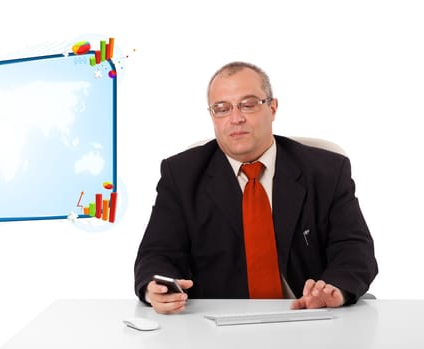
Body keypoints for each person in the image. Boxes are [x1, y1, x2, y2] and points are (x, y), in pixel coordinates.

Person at [133, 61, 378, 314]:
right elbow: (157, 253)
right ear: (212, 117)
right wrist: (156, 288)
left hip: (308, 318)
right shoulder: (182, 175)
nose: (236, 119)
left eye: (248, 105)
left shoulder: (326, 171)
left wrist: (334, 291)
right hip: (216, 327)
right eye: (222, 109)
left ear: (272, 108)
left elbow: (354, 249)